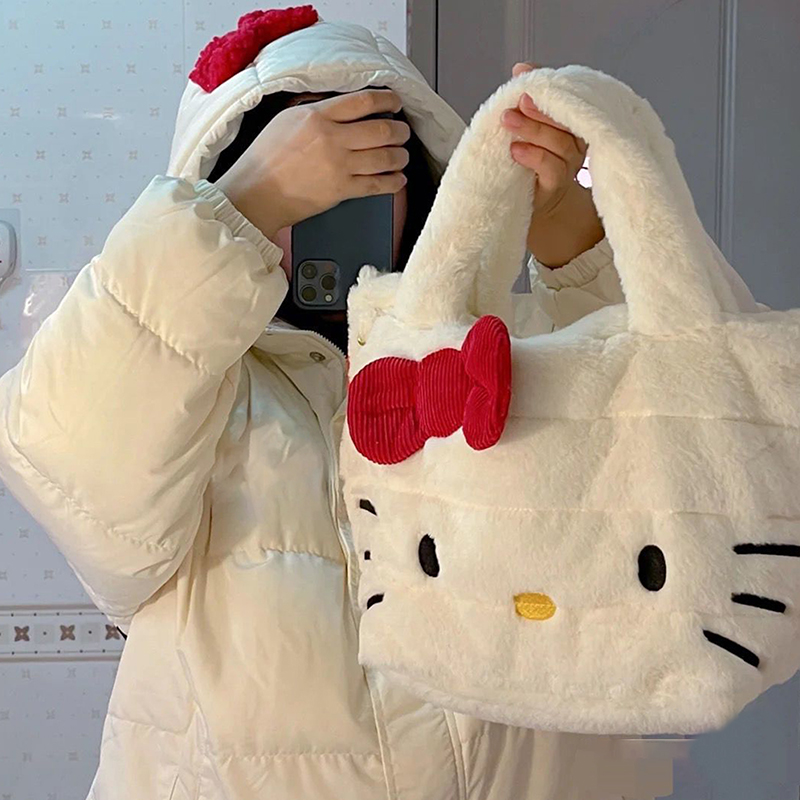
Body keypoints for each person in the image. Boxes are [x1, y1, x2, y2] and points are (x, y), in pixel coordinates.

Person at [0, 13, 758, 800]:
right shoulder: (191, 390)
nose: (331, 209)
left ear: (422, 188)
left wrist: (579, 240)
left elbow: (715, 452)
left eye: (369, 173)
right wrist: (242, 206)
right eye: (307, 181)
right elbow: (70, 473)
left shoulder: (509, 354)